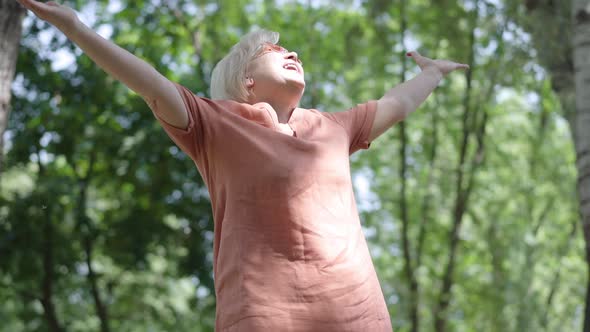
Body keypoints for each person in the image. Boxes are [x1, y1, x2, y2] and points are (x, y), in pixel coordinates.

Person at [16, 0, 469, 331]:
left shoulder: (334, 127)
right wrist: (75, 26)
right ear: (245, 81)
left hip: (356, 315)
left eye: (295, 51)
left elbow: (397, 103)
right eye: (276, 51)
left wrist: (432, 73)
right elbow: (150, 84)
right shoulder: (215, 124)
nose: (294, 54)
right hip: (261, 317)